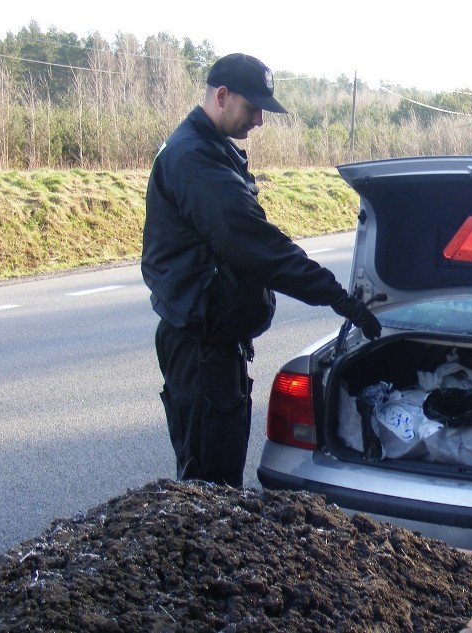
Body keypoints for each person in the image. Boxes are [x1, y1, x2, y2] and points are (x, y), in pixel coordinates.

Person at [141, 53, 381, 487]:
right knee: (209, 485)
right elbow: (258, 246)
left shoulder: (211, 151)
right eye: (253, 108)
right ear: (221, 95)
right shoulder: (194, 160)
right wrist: (335, 296)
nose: (259, 121)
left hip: (213, 345)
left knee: (216, 477)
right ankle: (204, 557)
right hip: (200, 350)